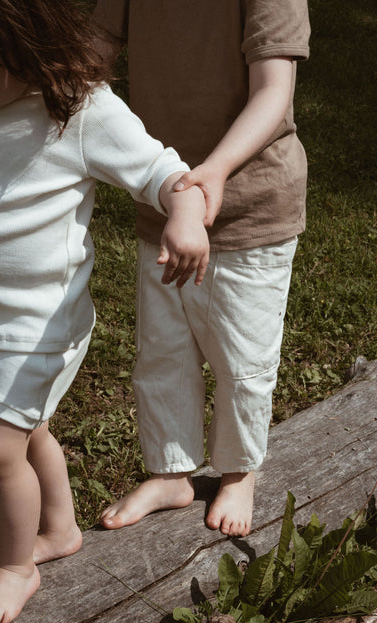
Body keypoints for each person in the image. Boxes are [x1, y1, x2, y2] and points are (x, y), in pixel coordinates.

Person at [0, 0, 209, 622]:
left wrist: (184, 216)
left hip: (39, 324)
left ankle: (16, 568)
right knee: (26, 428)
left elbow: (164, 171)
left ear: (28, 47)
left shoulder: (78, 110)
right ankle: (59, 528)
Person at [94, 0, 310, 538]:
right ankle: (171, 471)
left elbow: (273, 90)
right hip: (163, 202)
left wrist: (212, 172)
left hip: (248, 203)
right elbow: (92, 54)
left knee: (242, 356)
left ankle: (239, 472)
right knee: (163, 352)